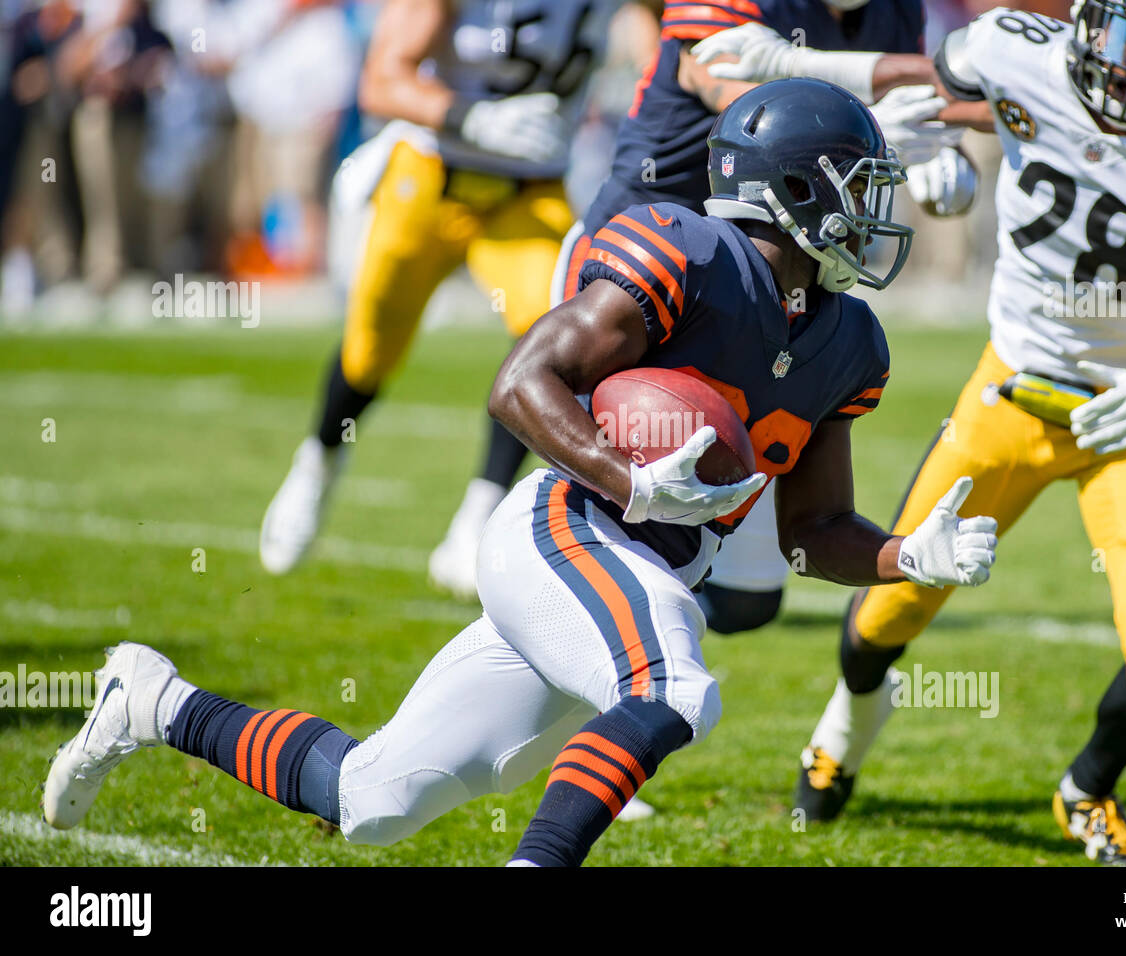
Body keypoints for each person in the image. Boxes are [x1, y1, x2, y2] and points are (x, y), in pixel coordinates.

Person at [43, 79, 1000, 867]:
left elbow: (812, 530)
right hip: (569, 527)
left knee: (373, 798)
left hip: (648, 567)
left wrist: (908, 554)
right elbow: (521, 383)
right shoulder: (690, 254)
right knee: (673, 689)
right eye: (856, 186)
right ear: (794, 190)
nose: (874, 211)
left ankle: (154, 701)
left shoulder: (848, 342)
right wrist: (626, 479)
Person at [732, 0, 1126, 864]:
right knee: (886, 610)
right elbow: (929, 90)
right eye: (1121, 34)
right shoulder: (1016, 51)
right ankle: (845, 725)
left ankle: (1088, 789)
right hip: (1010, 393)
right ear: (1086, 20)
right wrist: (926, 146)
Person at [428, 0, 974, 624]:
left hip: (783, 271)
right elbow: (717, 80)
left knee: (745, 601)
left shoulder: (893, 14)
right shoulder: (675, 246)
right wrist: (861, 121)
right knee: (618, 517)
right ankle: (504, 528)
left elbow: (811, 533)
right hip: (659, 260)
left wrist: (933, 144)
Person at [258, 0, 616, 576]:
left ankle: (481, 509)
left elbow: (672, 35)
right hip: (431, 177)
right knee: (369, 350)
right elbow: (381, 81)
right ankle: (318, 462)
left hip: (526, 189)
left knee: (552, 335)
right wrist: (467, 117)